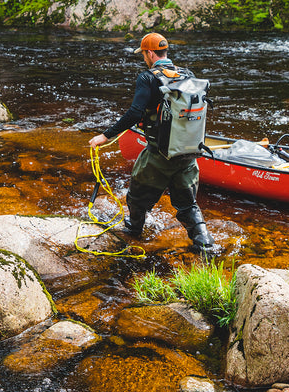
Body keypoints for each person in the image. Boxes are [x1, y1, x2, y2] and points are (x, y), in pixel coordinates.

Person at [89, 32, 215, 253]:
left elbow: (135, 113)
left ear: (149, 53)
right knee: (187, 205)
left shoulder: (147, 77)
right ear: (165, 51)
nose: (144, 59)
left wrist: (105, 136)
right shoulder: (187, 74)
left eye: (143, 54)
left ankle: (135, 231)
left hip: (159, 154)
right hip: (188, 153)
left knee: (136, 197)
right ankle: (205, 246)